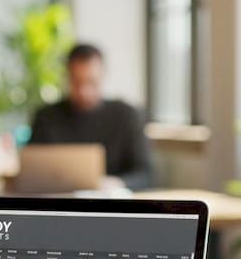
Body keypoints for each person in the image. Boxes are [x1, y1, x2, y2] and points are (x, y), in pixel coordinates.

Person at [29, 43, 153, 190]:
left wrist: (118, 183)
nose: (84, 91)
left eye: (92, 82)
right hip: (56, 203)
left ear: (103, 76)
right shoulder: (46, 117)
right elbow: (31, 171)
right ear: (67, 77)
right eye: (77, 82)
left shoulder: (126, 115)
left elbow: (147, 174)